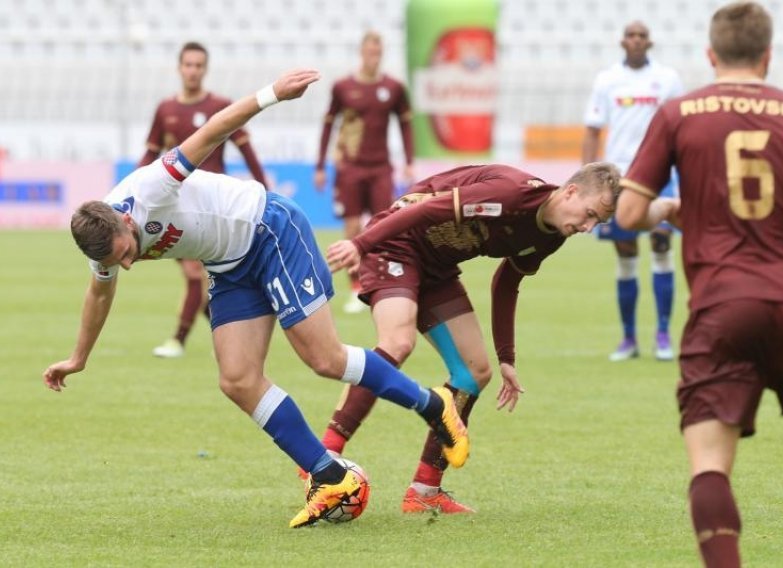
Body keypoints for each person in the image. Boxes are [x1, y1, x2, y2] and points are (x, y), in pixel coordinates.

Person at [41, 69, 469, 529]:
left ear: (126, 221)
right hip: (229, 265)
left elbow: (213, 129)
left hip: (268, 229)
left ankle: (433, 405)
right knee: (237, 379)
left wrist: (272, 95)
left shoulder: (149, 188)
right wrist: (78, 357)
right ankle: (329, 476)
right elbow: (98, 295)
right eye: (117, 262)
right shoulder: (101, 242)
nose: (126, 265)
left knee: (323, 358)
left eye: (126, 253)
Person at [319, 161, 621, 513]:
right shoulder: (510, 195)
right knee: (398, 342)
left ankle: (424, 491)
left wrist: (506, 358)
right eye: (589, 214)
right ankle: (325, 454)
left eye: (597, 222)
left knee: (475, 372)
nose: (587, 227)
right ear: (570, 191)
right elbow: (428, 208)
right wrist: (361, 243)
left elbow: (507, 283)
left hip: (437, 268)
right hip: (396, 243)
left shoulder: (551, 235)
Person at [616, 3, 783, 566]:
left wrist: (673, 208)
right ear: (768, 55)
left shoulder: (680, 111)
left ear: (710, 54)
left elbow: (626, 214)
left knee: (710, 465)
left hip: (723, 306)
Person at [141, 41, 268, 359]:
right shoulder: (165, 109)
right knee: (199, 279)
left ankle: (178, 341)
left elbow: (246, 149)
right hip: (174, 206)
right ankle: (233, 339)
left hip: (213, 206)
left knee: (198, 276)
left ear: (205, 69)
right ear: (179, 68)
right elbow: (150, 154)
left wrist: (265, 188)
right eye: (188, 65)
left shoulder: (221, 106)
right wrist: (134, 188)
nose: (193, 71)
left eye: (199, 65)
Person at [582, 21, 684, 362]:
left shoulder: (668, 79)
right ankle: (628, 338)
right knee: (626, 254)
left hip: (659, 173)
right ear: (622, 41)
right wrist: (585, 179)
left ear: (649, 41)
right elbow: (593, 130)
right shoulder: (607, 80)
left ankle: (663, 334)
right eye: (631, 35)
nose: (637, 40)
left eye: (642, 35)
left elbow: (683, 129)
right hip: (619, 177)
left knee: (661, 244)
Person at [314, 30, 414, 314]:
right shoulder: (343, 87)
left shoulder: (393, 88)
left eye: (378, 53)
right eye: (370, 52)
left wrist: (408, 160)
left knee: (383, 228)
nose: (374, 57)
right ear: (362, 53)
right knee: (352, 228)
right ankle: (356, 287)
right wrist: (321, 165)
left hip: (381, 167)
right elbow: (328, 125)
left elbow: (405, 125)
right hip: (350, 168)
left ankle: (380, 284)